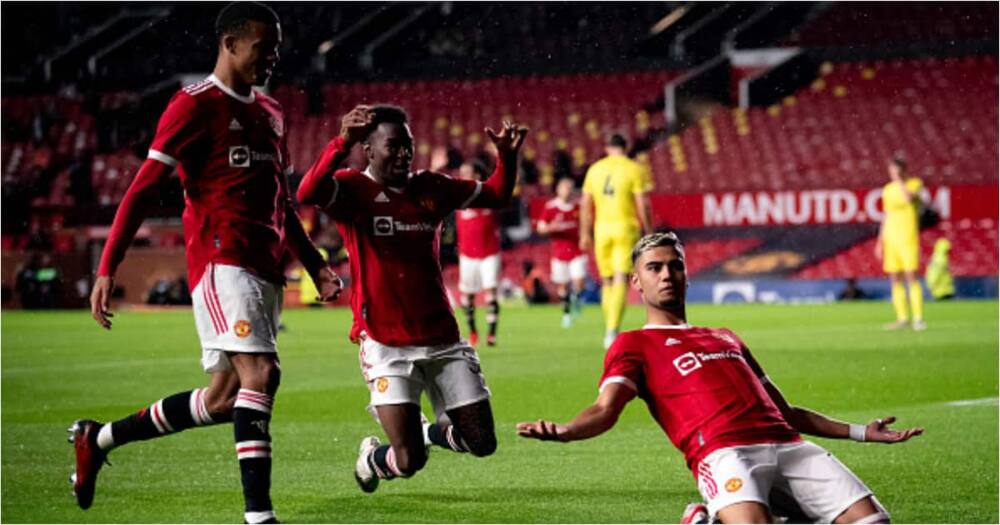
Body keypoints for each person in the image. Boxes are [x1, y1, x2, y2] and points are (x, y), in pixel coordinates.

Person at [71, 4, 343, 523]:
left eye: (277, 46)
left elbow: (282, 201)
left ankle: (98, 438)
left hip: (262, 269)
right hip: (222, 262)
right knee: (261, 373)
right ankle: (258, 516)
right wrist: (108, 266)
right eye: (265, 45)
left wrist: (315, 264)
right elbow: (143, 189)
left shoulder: (271, 111)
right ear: (230, 43)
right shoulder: (193, 105)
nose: (273, 56)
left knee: (223, 400)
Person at [517, 232, 923, 524]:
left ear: (687, 275)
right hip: (725, 453)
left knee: (875, 522)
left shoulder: (725, 336)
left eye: (675, 266)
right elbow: (606, 409)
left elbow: (787, 412)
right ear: (636, 282)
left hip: (790, 446)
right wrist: (568, 431)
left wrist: (860, 433)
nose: (667, 275)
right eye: (654, 268)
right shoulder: (633, 344)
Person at [297, 105, 527, 493]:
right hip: (386, 344)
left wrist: (507, 155)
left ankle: (426, 432)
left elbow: (497, 195)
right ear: (368, 150)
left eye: (410, 145)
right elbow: (306, 191)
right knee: (409, 460)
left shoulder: (431, 187)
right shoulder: (353, 189)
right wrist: (341, 142)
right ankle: (373, 458)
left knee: (482, 443)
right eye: (394, 145)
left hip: (441, 338)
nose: (405, 153)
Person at [580, 133, 652, 349]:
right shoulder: (634, 168)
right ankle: (612, 330)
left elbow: (585, 204)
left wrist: (584, 233)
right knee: (621, 279)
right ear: (625, 147)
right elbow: (642, 203)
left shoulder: (595, 169)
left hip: (601, 228)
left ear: (607, 147)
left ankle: (609, 327)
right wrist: (648, 230)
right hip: (625, 227)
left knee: (608, 281)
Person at [874, 157, 928, 330]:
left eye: (896, 171)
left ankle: (918, 318)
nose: (893, 175)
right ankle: (903, 318)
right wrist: (880, 241)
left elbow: (908, 199)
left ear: (904, 170)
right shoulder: (887, 190)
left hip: (908, 237)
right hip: (891, 238)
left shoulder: (914, 184)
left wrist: (899, 181)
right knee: (895, 278)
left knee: (911, 276)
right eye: (891, 172)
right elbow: (886, 215)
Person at [455, 159, 503, 347]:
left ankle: (492, 334)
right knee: (468, 294)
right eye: (461, 172)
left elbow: (503, 185)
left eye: (467, 172)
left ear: (477, 175)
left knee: (491, 290)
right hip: (467, 254)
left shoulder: (488, 195)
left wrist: (501, 159)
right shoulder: (458, 196)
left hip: (490, 252)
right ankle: (473, 330)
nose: (463, 175)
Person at [537, 176, 587, 328]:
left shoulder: (578, 206)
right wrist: (550, 228)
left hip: (577, 251)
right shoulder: (551, 207)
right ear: (558, 190)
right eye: (564, 188)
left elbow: (586, 224)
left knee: (579, 282)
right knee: (563, 286)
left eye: (570, 188)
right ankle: (566, 314)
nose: (567, 191)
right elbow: (540, 227)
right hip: (559, 253)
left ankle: (576, 299)